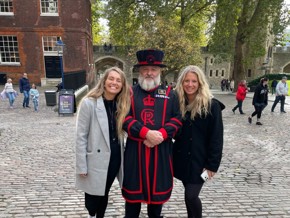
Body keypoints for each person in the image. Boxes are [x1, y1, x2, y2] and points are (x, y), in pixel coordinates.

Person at [122, 49, 182, 218]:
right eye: (145, 69)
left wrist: (161, 134)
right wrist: (145, 133)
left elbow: (177, 120)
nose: (149, 73)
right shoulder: (129, 93)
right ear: (139, 71)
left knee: (156, 205)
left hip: (161, 153)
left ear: (160, 71)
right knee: (132, 203)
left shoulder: (171, 94)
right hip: (136, 153)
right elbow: (123, 118)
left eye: (153, 69)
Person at [75, 67, 131, 218]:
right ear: (104, 81)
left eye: (118, 80)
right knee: (93, 197)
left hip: (114, 157)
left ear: (122, 85)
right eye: (111, 79)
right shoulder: (89, 103)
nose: (114, 83)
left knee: (104, 191)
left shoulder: (122, 104)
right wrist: (82, 164)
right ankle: (92, 214)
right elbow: (81, 136)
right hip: (95, 158)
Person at [172, 65, 224, 218]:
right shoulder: (177, 104)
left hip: (200, 161)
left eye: (194, 81)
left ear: (200, 83)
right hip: (181, 160)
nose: (190, 84)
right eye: (186, 81)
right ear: (181, 82)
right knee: (188, 196)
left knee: (191, 196)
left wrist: (212, 165)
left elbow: (216, 138)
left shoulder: (211, 105)